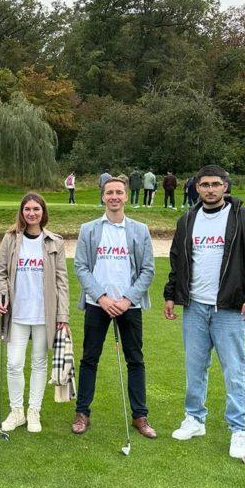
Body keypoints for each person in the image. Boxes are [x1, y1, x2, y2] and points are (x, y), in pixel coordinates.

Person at [164, 164, 245, 459]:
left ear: (225, 186)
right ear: (196, 188)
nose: (210, 189)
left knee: (235, 371)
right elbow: (177, 261)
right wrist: (171, 294)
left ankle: (239, 429)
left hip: (230, 308)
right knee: (195, 367)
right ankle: (194, 419)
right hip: (195, 307)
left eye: (215, 184)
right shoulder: (188, 219)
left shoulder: (243, 217)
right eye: (204, 185)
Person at [72, 175, 157, 439]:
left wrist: (127, 299)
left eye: (119, 192)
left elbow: (147, 270)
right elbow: (81, 267)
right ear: (103, 196)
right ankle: (82, 412)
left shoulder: (139, 230)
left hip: (128, 305)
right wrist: (102, 298)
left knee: (135, 360)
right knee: (89, 359)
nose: (114, 197)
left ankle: (140, 415)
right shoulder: (88, 229)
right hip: (98, 304)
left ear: (126, 196)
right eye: (109, 192)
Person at [0, 193, 70, 433]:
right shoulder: (10, 238)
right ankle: (16, 411)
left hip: (44, 314)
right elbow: (1, 273)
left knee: (39, 363)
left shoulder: (54, 241)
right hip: (17, 313)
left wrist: (63, 315)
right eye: (27, 209)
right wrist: (1, 296)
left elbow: (62, 281)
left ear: (43, 212)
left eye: (36, 209)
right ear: (22, 212)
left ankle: (33, 411)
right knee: (14, 363)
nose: (31, 213)